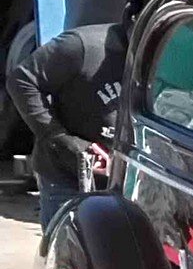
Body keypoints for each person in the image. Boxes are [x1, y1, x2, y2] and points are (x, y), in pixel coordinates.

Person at [5, 17, 128, 228]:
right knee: (68, 255)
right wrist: (59, 137)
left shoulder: (171, 53)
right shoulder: (83, 46)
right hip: (67, 177)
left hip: (131, 181)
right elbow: (22, 81)